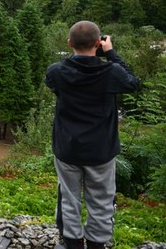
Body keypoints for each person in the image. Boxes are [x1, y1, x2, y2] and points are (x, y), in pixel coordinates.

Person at [45, 21, 140, 249]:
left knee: (69, 197)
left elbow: (54, 86)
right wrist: (111, 53)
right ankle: (96, 244)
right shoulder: (111, 72)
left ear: (69, 43)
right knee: (101, 200)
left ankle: (72, 243)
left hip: (67, 149)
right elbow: (133, 83)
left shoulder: (57, 71)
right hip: (101, 151)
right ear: (98, 44)